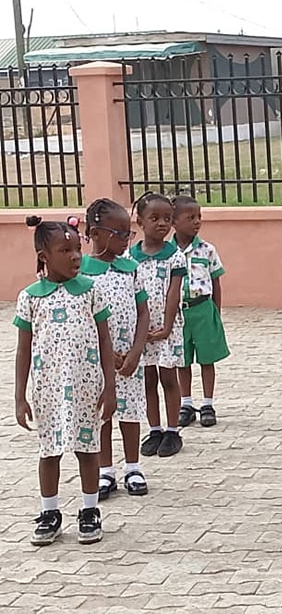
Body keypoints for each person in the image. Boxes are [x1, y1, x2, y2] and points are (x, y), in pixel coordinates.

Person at [14, 216, 115, 545]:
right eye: (65, 250)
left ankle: (89, 510)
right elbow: (23, 351)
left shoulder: (90, 291)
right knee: (50, 451)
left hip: (87, 387)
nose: (75, 256)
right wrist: (19, 396)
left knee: (88, 449)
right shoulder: (30, 297)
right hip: (47, 389)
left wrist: (110, 387)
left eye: (77, 249)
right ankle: (50, 512)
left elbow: (105, 341)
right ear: (45, 256)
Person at [81, 199, 150, 500]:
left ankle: (133, 467)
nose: (126, 240)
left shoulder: (131, 269)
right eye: (119, 233)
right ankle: (105, 470)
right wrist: (106, 353)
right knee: (103, 413)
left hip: (129, 358)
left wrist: (136, 350)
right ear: (95, 233)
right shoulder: (81, 271)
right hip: (98, 358)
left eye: (128, 233)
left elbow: (144, 311)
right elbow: (83, 317)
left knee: (131, 411)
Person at [129, 193, 187, 458]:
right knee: (147, 379)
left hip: (167, 327)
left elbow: (174, 292)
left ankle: (173, 430)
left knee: (167, 377)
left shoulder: (174, 256)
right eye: (154, 218)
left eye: (167, 218)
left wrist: (165, 326)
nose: (162, 223)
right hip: (141, 328)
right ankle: (154, 429)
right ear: (140, 221)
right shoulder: (130, 257)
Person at [172, 195, 230, 429]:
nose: (197, 222)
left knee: (207, 358)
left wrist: (216, 311)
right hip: (178, 312)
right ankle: (186, 404)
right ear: (174, 221)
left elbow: (216, 282)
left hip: (203, 308)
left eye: (199, 217)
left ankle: (207, 403)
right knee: (181, 360)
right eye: (190, 217)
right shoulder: (168, 253)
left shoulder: (207, 250)